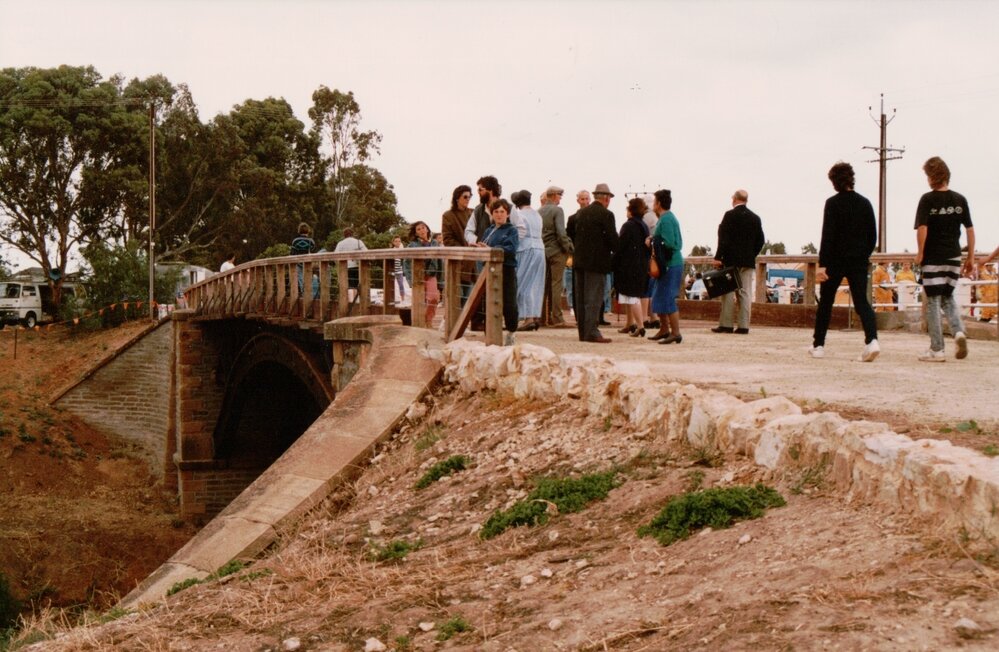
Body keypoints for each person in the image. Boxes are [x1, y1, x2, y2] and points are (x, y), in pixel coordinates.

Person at [809, 162, 879, 362]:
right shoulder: (865, 203)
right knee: (861, 302)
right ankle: (872, 340)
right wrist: (862, 255)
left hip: (835, 261)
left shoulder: (832, 203)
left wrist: (823, 264)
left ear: (835, 182)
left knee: (826, 303)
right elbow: (872, 236)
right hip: (858, 261)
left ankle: (819, 345)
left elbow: (827, 236)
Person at [914, 156, 975, 362]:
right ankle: (958, 331)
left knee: (932, 301)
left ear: (932, 177)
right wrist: (971, 257)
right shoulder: (960, 199)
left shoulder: (927, 199)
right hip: (954, 256)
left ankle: (937, 349)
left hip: (933, 257)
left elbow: (923, 228)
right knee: (948, 297)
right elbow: (970, 230)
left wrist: (920, 253)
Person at [568, 183, 618, 343]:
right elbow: (613, 242)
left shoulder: (580, 214)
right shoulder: (607, 215)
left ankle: (583, 332)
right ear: (606, 198)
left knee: (581, 298)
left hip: (579, 261)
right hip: (597, 263)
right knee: (594, 299)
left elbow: (571, 234)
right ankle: (592, 331)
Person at [711, 189, 765, 333]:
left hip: (730, 260)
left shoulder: (729, 215)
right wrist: (751, 254)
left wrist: (718, 257)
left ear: (734, 199)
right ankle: (743, 326)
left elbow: (723, 239)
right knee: (745, 292)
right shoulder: (755, 218)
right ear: (746, 200)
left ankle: (726, 325)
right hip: (747, 261)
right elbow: (761, 241)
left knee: (728, 292)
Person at [477, 198, 519, 345]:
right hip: (489, 270)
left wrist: (492, 250)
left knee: (509, 303)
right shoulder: (489, 230)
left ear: (507, 214)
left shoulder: (511, 230)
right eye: (496, 212)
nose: (499, 215)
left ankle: (511, 332)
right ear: (492, 214)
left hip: (506, 270)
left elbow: (511, 249)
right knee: (488, 301)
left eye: (502, 212)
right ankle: (490, 334)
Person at [647, 189, 684, 344]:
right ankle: (664, 329)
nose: (653, 205)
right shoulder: (667, 218)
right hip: (668, 264)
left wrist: (653, 241)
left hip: (670, 264)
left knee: (667, 297)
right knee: (659, 296)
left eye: (654, 202)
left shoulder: (666, 219)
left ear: (659, 203)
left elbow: (669, 243)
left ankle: (675, 332)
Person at [613, 197, 651, 337]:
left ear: (630, 210)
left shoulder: (628, 226)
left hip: (628, 266)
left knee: (631, 296)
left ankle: (640, 326)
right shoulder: (644, 225)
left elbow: (620, 246)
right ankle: (630, 323)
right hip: (641, 265)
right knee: (631, 296)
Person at [511, 190, 545, 331]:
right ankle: (534, 315)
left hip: (526, 248)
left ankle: (527, 317)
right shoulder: (537, 214)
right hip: (540, 248)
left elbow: (519, 233)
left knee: (523, 283)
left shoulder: (519, 215)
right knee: (535, 284)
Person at [539, 185, 573, 327]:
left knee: (544, 286)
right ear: (554, 196)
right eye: (559, 195)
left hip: (543, 251)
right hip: (557, 252)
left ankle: (541, 318)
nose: (560, 198)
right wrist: (569, 248)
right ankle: (557, 318)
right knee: (556, 284)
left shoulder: (539, 211)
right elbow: (561, 232)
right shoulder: (558, 210)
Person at [441, 185, 475, 305]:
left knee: (470, 301)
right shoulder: (448, 215)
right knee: (457, 300)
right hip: (458, 263)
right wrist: (466, 249)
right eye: (465, 196)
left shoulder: (473, 213)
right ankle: (451, 323)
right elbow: (447, 240)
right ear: (457, 198)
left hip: (473, 264)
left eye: (470, 196)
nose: (468, 199)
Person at [404, 221, 441, 325]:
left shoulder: (434, 243)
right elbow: (406, 263)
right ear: (415, 233)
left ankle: (428, 320)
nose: (421, 230)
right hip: (417, 275)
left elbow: (440, 261)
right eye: (418, 229)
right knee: (419, 300)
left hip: (431, 274)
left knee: (433, 298)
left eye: (423, 228)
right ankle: (418, 322)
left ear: (427, 229)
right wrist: (410, 279)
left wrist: (441, 281)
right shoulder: (412, 245)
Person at [564, 190, 591, 315]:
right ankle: (574, 307)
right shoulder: (572, 218)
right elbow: (569, 236)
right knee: (575, 283)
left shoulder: (594, 216)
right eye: (582, 199)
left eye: (586, 199)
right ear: (578, 200)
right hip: (577, 254)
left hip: (590, 255)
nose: (585, 201)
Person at [333, 227, 368, 301]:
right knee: (356, 286)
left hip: (344, 268)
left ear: (344, 235)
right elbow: (366, 252)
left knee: (346, 287)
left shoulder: (340, 243)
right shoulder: (358, 242)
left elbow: (335, 257)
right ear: (352, 234)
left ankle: (347, 302)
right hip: (356, 267)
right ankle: (357, 302)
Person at [391, 235, 406, 302]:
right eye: (396, 241)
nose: (398, 243)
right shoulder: (392, 250)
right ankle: (391, 298)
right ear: (393, 242)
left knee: (401, 285)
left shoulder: (401, 250)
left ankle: (402, 298)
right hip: (393, 271)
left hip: (399, 271)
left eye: (399, 241)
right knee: (391, 285)